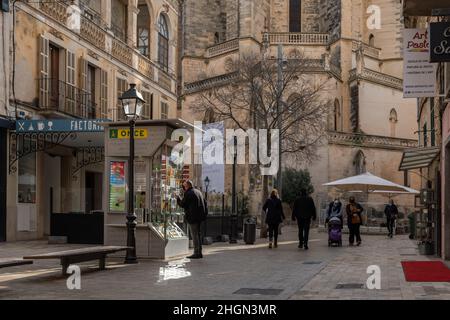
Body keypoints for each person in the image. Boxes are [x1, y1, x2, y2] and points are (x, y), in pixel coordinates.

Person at [176, 180, 207, 259]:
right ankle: (199, 252)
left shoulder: (189, 193)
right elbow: (205, 203)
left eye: (184, 186)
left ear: (187, 186)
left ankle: (196, 253)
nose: (184, 188)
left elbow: (182, 204)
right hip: (200, 217)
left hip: (193, 217)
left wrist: (178, 198)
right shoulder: (198, 192)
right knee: (198, 234)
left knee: (194, 235)